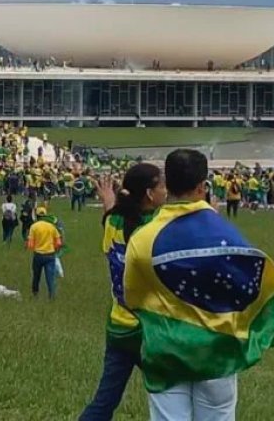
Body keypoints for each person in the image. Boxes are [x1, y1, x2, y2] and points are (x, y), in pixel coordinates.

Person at [124, 149, 274, 421]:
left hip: (166, 351)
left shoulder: (143, 239)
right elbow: (251, 286)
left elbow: (132, 297)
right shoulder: (227, 236)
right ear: (202, 186)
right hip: (217, 353)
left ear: (167, 183)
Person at [80, 164, 165, 421]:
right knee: (171, 399)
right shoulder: (156, 227)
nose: (166, 190)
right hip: (149, 331)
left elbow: (112, 217)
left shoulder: (114, 222)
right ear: (149, 194)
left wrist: (109, 201)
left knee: (104, 401)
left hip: (119, 326)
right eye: (162, 185)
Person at [26, 207, 63, 300]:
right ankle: (52, 295)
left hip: (38, 255)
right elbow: (59, 243)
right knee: (50, 278)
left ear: (37, 216)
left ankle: (35, 294)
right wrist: (54, 249)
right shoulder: (51, 227)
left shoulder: (34, 227)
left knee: (36, 276)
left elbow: (30, 244)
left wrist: (34, 247)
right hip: (50, 255)